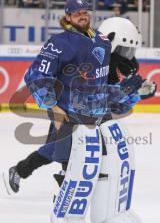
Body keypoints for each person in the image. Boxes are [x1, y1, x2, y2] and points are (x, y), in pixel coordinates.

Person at [4, 15, 156, 194]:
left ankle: (28, 172)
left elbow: (114, 107)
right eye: (125, 51)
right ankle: (54, 185)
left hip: (85, 116)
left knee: (61, 148)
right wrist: (126, 92)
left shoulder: (107, 67)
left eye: (131, 52)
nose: (128, 58)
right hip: (66, 109)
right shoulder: (87, 61)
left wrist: (136, 94)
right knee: (61, 148)